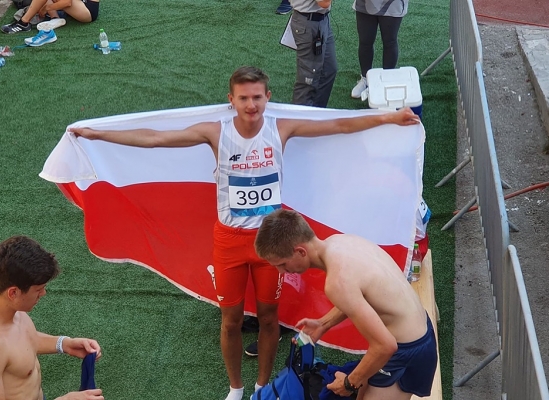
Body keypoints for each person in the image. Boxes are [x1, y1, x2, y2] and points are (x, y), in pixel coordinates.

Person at [70, 66, 419, 400]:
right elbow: (156, 138)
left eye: (257, 97)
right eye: (243, 98)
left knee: (269, 318)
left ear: (268, 97)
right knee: (230, 322)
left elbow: (339, 125)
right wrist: (99, 135)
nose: (251, 105)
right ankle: (236, 388)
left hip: (273, 245)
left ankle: (260, 386)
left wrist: (388, 118)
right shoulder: (216, 132)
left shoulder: (280, 129)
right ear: (231, 100)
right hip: (230, 242)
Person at [254, 209, 438, 399]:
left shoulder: (336, 282)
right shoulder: (342, 241)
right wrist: (323, 324)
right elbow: (360, 294)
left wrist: (350, 383)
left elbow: (385, 346)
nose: (281, 272)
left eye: (282, 264)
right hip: (422, 330)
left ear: (300, 251)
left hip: (404, 351)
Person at [0, 236, 104, 400]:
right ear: (13, 293)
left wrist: (64, 344)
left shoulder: (4, 305)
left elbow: (21, 340)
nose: (43, 293)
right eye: (38, 289)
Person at [350, 0, 409, 99]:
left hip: (392, 3)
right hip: (366, 3)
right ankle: (365, 78)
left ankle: (386, 81)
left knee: (389, 41)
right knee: (365, 41)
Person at [288, 0, 336, 107]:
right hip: (309, 23)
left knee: (328, 71)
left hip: (321, 19)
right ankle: (300, 116)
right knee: (308, 81)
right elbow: (324, 2)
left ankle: (317, 113)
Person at [1, 0, 99, 34]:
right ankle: (55, 18)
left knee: (48, 4)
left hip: (87, 11)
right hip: (80, 5)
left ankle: (23, 23)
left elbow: (67, 2)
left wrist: (47, 8)